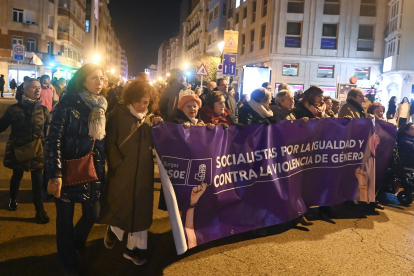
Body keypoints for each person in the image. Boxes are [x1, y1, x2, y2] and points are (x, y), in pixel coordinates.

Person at [46, 64, 107, 276]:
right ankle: (69, 263)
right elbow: (53, 140)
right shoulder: (66, 105)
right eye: (94, 78)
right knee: (64, 221)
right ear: (82, 80)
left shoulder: (102, 106)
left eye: (102, 78)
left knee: (94, 213)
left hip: (92, 170)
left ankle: (76, 242)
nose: (100, 83)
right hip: (68, 171)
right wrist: (55, 173)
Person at [99, 80, 162, 265]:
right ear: (131, 99)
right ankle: (113, 230)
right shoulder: (117, 115)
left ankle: (136, 249)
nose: (145, 106)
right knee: (121, 206)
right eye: (141, 101)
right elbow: (109, 143)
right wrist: (118, 164)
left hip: (143, 173)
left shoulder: (150, 118)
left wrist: (159, 125)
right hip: (122, 173)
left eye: (147, 102)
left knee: (140, 211)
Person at [0, 77, 50, 223]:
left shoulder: (44, 111)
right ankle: (13, 198)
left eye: (39, 87)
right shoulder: (14, 110)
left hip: (37, 149)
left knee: (37, 180)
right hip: (19, 148)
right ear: (24, 90)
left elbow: (49, 132)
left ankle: (39, 209)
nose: (37, 90)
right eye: (34, 87)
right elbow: (1, 126)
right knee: (17, 175)